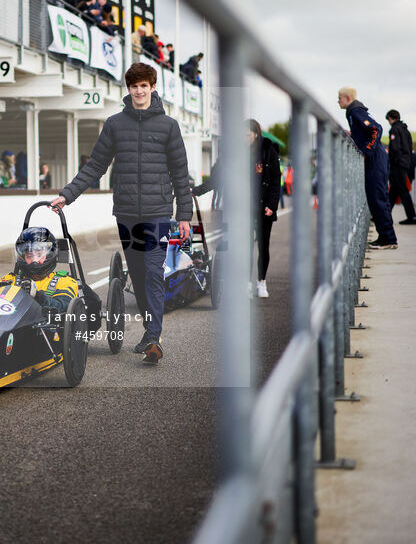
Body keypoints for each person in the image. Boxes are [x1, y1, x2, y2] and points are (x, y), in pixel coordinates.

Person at [50, 62, 192, 364]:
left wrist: (184, 215)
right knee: (138, 275)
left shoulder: (169, 126)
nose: (139, 91)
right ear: (128, 89)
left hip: (157, 213)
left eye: (144, 86)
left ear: (152, 88)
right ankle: (149, 329)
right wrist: (67, 195)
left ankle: (154, 336)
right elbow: (95, 165)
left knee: (154, 271)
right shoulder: (115, 124)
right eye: (134, 86)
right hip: (126, 214)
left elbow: (180, 172)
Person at [192, 119, 281, 298]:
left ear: (255, 134)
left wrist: (272, 205)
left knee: (263, 246)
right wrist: (196, 191)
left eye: (247, 135)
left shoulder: (268, 151)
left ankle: (261, 282)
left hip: (264, 208)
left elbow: (275, 182)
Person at [338, 87, 398, 249]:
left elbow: (376, 128)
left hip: (375, 158)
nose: (338, 101)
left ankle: (388, 238)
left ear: (348, 98)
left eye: (340, 98)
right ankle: (386, 236)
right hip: (376, 157)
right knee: (377, 198)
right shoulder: (354, 111)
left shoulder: (355, 111)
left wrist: (366, 151)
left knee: (377, 197)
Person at [0, 227, 78, 313]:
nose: (34, 261)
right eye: (30, 256)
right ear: (22, 257)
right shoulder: (10, 279)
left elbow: (63, 306)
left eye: (39, 255)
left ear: (50, 255)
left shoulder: (65, 282)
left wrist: (37, 296)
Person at [385, 109, 416, 225]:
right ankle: (384, 215)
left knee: (402, 190)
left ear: (390, 118)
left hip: (397, 164)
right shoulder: (405, 130)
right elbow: (409, 147)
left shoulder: (394, 129)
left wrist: (391, 161)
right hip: (405, 163)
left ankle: (413, 217)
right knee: (394, 191)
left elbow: (394, 148)